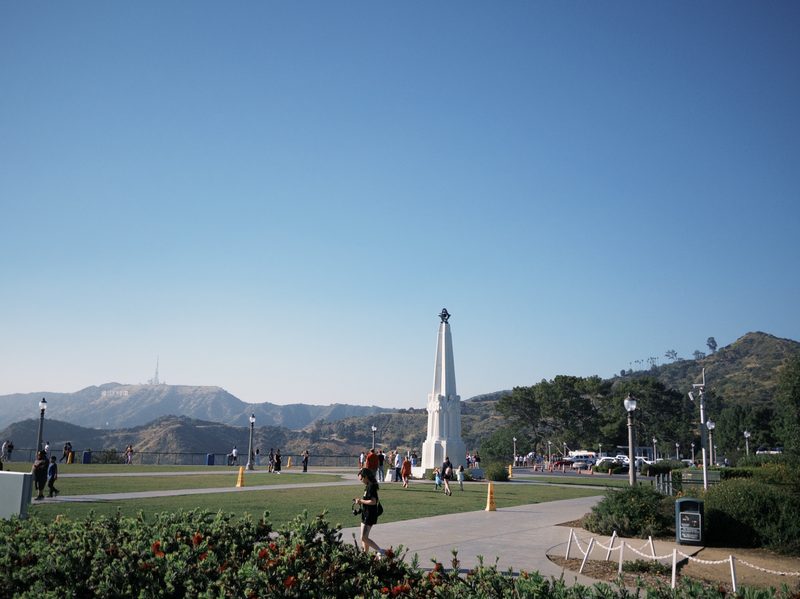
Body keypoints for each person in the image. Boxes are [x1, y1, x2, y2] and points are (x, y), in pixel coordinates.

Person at [353, 468, 383, 556]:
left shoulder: (371, 486)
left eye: (361, 479)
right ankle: (365, 555)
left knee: (363, 537)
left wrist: (361, 501)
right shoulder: (368, 486)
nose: (361, 481)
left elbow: (373, 501)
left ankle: (381, 551)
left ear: (365, 477)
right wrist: (360, 501)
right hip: (365, 513)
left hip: (369, 515)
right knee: (363, 538)